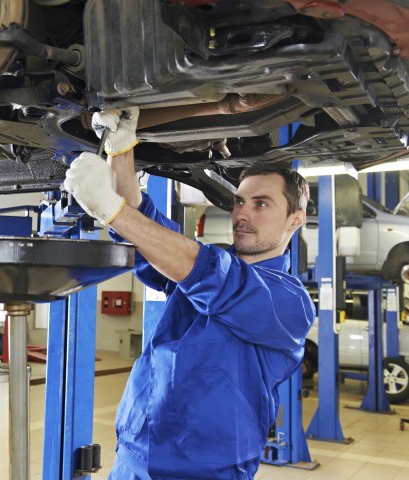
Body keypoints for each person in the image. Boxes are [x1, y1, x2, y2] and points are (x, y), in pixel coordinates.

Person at [64, 107, 316, 480]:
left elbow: (210, 276)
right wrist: (122, 148)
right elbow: (148, 232)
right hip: (136, 456)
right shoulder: (199, 261)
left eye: (261, 204)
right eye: (239, 202)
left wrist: (109, 209)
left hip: (206, 472)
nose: (242, 214)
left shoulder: (289, 302)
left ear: (295, 219)